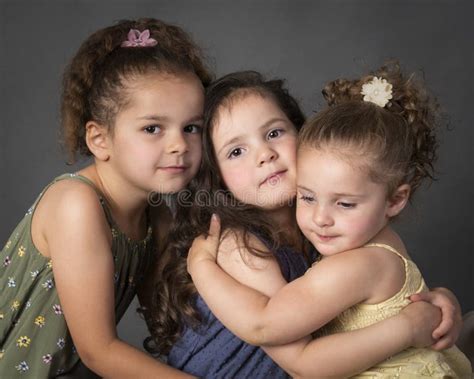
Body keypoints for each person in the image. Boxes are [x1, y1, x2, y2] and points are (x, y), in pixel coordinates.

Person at [146, 70, 463, 378]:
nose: (265, 155)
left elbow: (379, 290)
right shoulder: (238, 245)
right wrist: (200, 265)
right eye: (237, 151)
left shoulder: (322, 224)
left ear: (304, 136)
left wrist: (438, 300)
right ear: (217, 176)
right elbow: (293, 354)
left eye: (274, 133)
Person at [0, 18, 211, 378]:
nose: (179, 145)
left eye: (191, 127)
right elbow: (98, 351)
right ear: (99, 140)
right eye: (152, 128)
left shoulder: (154, 213)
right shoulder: (76, 204)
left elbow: (172, 320)